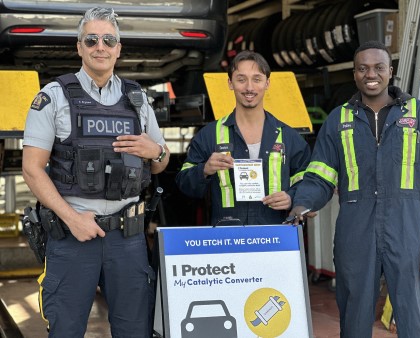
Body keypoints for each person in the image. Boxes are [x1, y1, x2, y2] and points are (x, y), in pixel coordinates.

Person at [22, 7, 169, 337]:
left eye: (108, 40)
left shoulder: (138, 101)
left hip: (128, 239)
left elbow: (161, 163)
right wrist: (72, 218)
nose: (100, 46)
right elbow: (31, 169)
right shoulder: (53, 97)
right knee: (66, 330)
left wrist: (155, 151)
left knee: (135, 330)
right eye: (91, 40)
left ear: (118, 47)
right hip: (72, 234)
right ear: (79, 47)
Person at [289, 40, 420, 338]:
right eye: (362, 68)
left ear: (390, 72)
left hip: (408, 227)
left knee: (415, 316)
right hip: (356, 226)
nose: (370, 74)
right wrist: (303, 203)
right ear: (354, 74)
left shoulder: (418, 114)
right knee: (354, 315)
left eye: (378, 67)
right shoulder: (339, 119)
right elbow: (320, 173)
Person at [175, 50, 311, 225]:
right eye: (241, 79)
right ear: (230, 83)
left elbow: (309, 182)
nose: (249, 87)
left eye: (257, 79)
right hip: (228, 238)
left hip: (275, 239)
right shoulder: (209, 135)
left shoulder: (289, 137)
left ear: (267, 83)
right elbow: (183, 184)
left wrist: (292, 198)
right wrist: (204, 170)